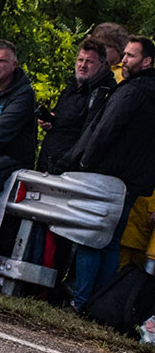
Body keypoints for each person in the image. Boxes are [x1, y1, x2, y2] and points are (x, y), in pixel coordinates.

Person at [64, 36, 155, 311]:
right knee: (111, 241)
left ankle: (81, 300)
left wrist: (84, 162)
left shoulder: (132, 91)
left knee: (92, 238)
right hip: (132, 181)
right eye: (124, 54)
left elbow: (105, 130)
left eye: (131, 56)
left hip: (108, 176)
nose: (124, 60)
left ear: (147, 62)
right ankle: (98, 303)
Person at [37, 39, 116, 174]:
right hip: (48, 162)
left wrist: (61, 167)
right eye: (80, 60)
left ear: (102, 64)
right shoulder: (72, 87)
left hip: (70, 171)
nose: (83, 65)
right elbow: (63, 118)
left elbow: (89, 137)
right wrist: (50, 120)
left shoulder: (102, 94)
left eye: (89, 61)